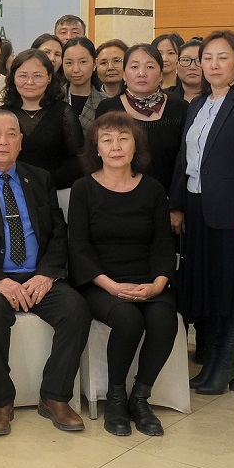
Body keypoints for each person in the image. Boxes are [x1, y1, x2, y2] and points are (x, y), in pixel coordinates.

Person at [0, 109, 90, 436]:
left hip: (37, 275)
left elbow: (58, 232)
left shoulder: (40, 178)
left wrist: (47, 275)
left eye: (11, 133)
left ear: (21, 141)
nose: (4, 140)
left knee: (76, 309)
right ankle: (1, 401)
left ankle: (55, 396)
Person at [169, 31, 234, 395]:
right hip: (197, 208)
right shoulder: (197, 105)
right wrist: (177, 204)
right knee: (209, 287)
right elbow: (186, 158)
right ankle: (211, 360)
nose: (212, 65)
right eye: (206, 57)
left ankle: (227, 361)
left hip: (233, 213)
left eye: (222, 57)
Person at [68, 113, 178, 437]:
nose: (116, 146)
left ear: (135, 146)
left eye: (123, 138)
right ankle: (116, 399)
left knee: (163, 320)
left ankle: (139, 398)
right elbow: (79, 248)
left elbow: (162, 244)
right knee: (129, 319)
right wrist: (112, 286)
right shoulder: (83, 189)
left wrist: (157, 284)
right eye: (107, 139)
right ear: (96, 149)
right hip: (101, 281)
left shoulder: (153, 189)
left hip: (148, 277)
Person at [96, 44, 188, 191]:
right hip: (122, 197)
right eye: (134, 67)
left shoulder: (180, 107)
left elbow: (185, 160)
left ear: (161, 74)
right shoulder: (108, 108)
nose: (141, 73)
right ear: (124, 74)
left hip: (170, 196)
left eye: (150, 67)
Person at [2, 50, 83, 190]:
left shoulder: (64, 112)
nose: (30, 82)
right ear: (13, 78)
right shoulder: (2, 114)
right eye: (22, 75)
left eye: (38, 76)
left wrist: (45, 182)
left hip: (56, 191)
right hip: (12, 191)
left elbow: (78, 159)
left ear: (49, 77)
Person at [63, 37, 110, 131]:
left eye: (83, 62)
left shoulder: (107, 103)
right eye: (69, 63)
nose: (75, 69)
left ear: (95, 63)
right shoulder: (53, 98)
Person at [177, 39, 205, 104]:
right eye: (186, 60)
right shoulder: (166, 98)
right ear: (176, 65)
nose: (192, 67)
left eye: (199, 60)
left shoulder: (219, 98)